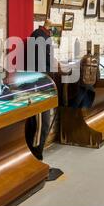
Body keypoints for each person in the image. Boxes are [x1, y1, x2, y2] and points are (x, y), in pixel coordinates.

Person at [26, 19, 63, 181]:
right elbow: (43, 62)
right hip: (39, 82)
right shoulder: (40, 36)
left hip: (42, 80)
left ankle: (37, 154)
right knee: (42, 122)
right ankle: (37, 155)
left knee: (43, 121)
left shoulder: (42, 35)